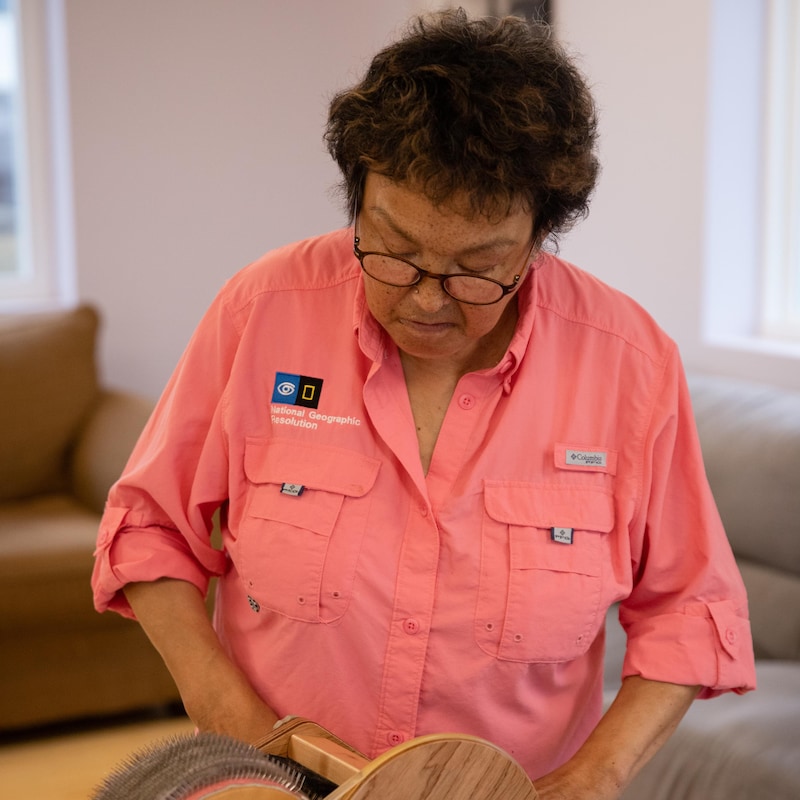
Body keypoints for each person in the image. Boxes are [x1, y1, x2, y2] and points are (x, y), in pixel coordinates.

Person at [92, 9, 755, 799]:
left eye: (478, 267)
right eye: (396, 253)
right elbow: (149, 530)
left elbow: (690, 612)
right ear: (357, 201)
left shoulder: (631, 364)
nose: (429, 301)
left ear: (541, 234)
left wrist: (595, 776)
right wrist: (222, 706)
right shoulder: (263, 310)